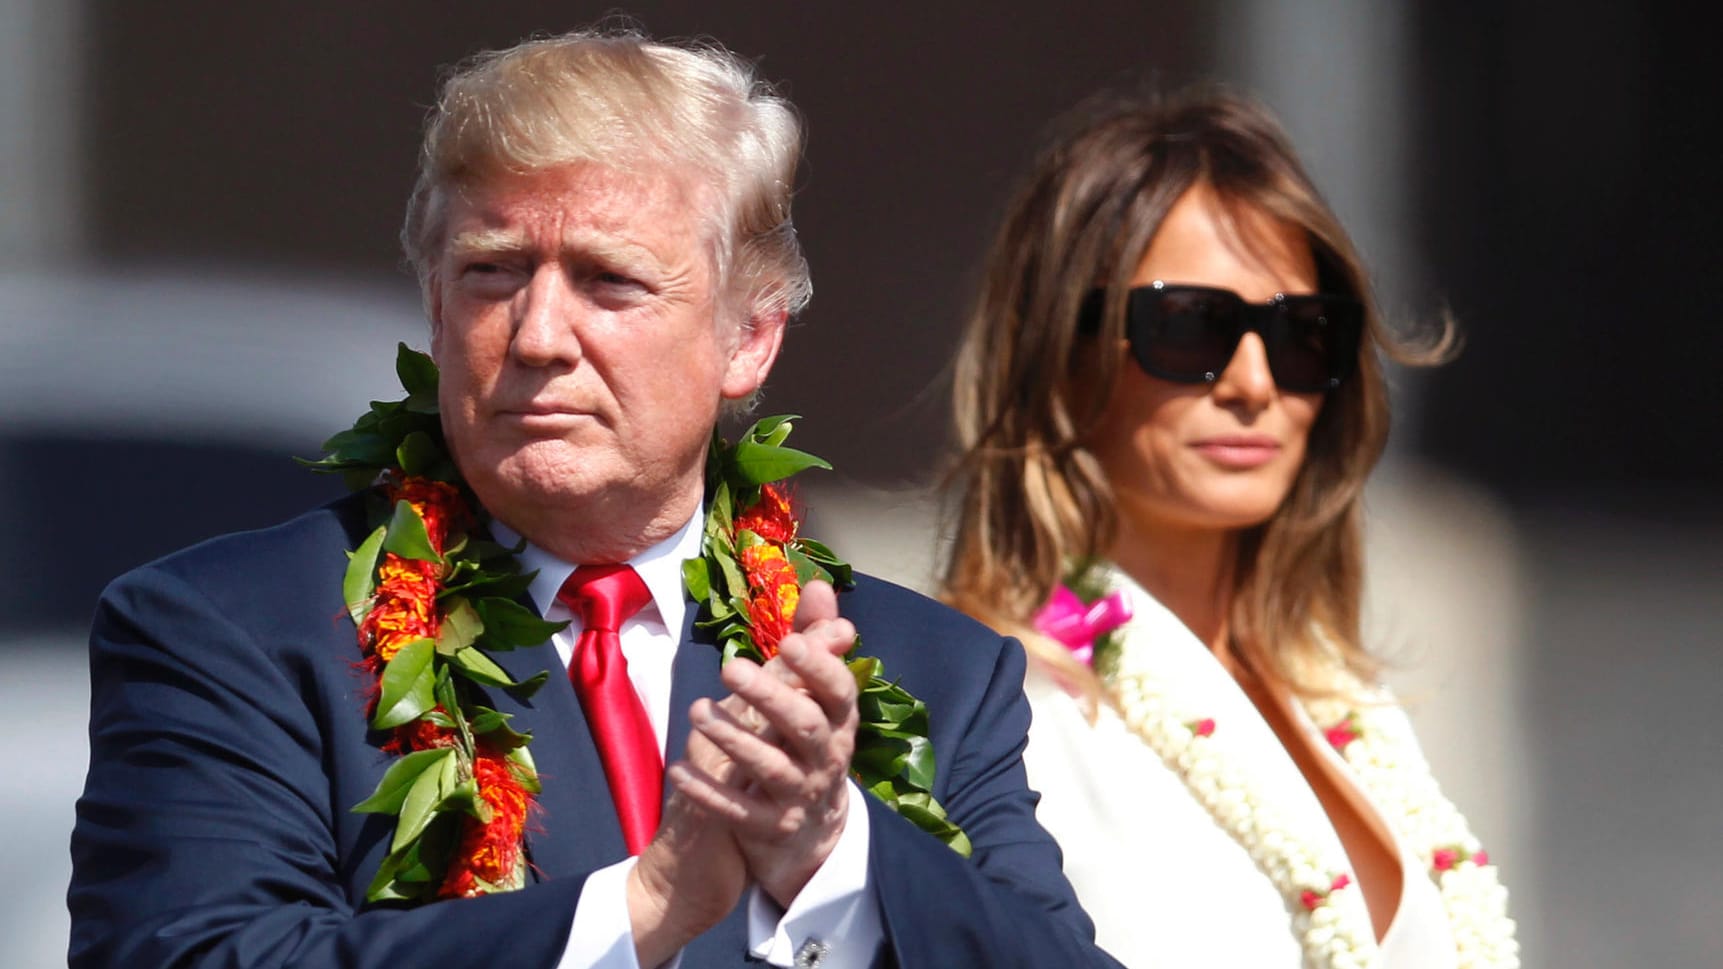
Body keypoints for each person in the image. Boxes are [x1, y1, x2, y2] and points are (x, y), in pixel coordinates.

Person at [67, 28, 1121, 969]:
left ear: (749, 337)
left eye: (609, 282)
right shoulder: (238, 633)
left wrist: (832, 852)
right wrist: (646, 906)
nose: (534, 336)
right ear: (434, 307)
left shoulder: (923, 670)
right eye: (490, 273)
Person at [941, 86, 1519, 968]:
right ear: (1060, 351)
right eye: (1189, 326)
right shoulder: (992, 711)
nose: (1253, 381)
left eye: (1301, 334)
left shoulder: (1339, 697)